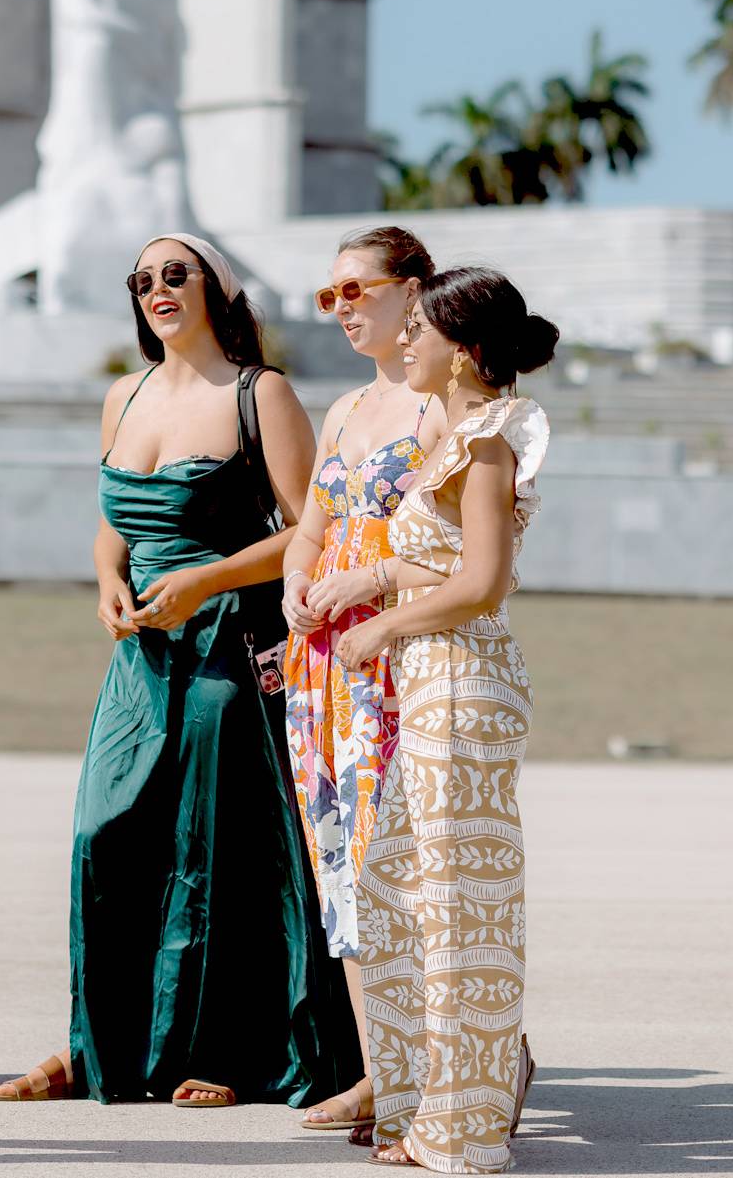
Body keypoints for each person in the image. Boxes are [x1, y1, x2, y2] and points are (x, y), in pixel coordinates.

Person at [0, 233, 362, 1109]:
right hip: (141, 652)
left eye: (175, 273)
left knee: (213, 844)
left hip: (232, 640)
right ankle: (102, 1045)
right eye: (143, 279)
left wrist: (205, 578)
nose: (156, 288)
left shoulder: (258, 393)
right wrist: (109, 578)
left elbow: (311, 531)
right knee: (105, 836)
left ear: (216, 290)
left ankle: (224, 1048)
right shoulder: (124, 394)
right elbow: (114, 522)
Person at [333, 266, 558, 1173]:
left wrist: (383, 620)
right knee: (395, 896)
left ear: (464, 348)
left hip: (463, 685)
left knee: (457, 910)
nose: (404, 342)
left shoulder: (491, 438)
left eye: (419, 329)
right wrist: (380, 590)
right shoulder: (455, 434)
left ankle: (462, 1131)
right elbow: (442, 568)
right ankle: (419, 1102)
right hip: (431, 682)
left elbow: (482, 582)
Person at [277, 226, 441, 1139]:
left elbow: (464, 547)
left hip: (400, 656)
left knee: (404, 860)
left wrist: (365, 579)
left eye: (353, 290)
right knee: (339, 861)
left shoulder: (441, 407)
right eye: (327, 296)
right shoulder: (343, 413)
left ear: (411, 289)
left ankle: (456, 1058)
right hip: (324, 664)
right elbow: (310, 525)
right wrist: (300, 583)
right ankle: (383, 1067)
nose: (339, 308)